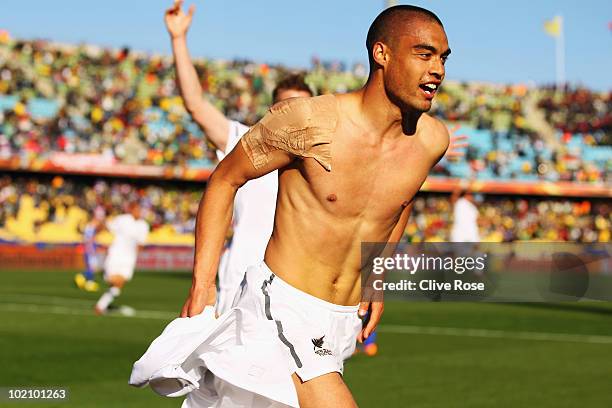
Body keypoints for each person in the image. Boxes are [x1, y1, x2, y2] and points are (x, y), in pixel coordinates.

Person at [175, 5, 452, 407]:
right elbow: (224, 178)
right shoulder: (307, 121)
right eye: (424, 54)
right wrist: (203, 284)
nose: (438, 70)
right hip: (281, 306)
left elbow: (400, 202)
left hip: (338, 323)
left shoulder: (431, 141)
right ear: (382, 54)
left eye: (443, 58)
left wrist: (376, 278)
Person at [165, 0, 313, 315]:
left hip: (297, 291)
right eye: (288, 107)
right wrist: (179, 39)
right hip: (239, 287)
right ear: (273, 111)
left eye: (304, 109)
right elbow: (195, 104)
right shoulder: (246, 143)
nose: (296, 116)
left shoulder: (324, 158)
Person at [95, 202, 149, 315]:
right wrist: (101, 220)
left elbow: (141, 243)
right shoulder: (122, 219)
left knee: (118, 285)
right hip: (116, 254)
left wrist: (135, 255)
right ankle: (101, 301)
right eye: (137, 209)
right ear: (131, 209)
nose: (139, 212)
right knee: (114, 281)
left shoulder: (144, 225)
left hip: (129, 259)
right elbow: (107, 227)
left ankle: (101, 305)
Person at [74, 215, 103, 292]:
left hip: (89, 249)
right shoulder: (90, 228)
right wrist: (92, 249)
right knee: (92, 267)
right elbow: (89, 240)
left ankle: (89, 282)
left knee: (92, 267)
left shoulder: (89, 227)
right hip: (90, 250)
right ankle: (83, 277)